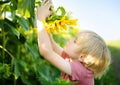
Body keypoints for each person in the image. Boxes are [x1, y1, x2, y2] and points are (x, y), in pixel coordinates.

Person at [37, 0, 111, 85]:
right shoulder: (71, 58)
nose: (71, 39)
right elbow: (52, 45)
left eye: (75, 41)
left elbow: (46, 51)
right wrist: (45, 22)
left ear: (82, 57)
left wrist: (40, 19)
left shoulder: (81, 71)